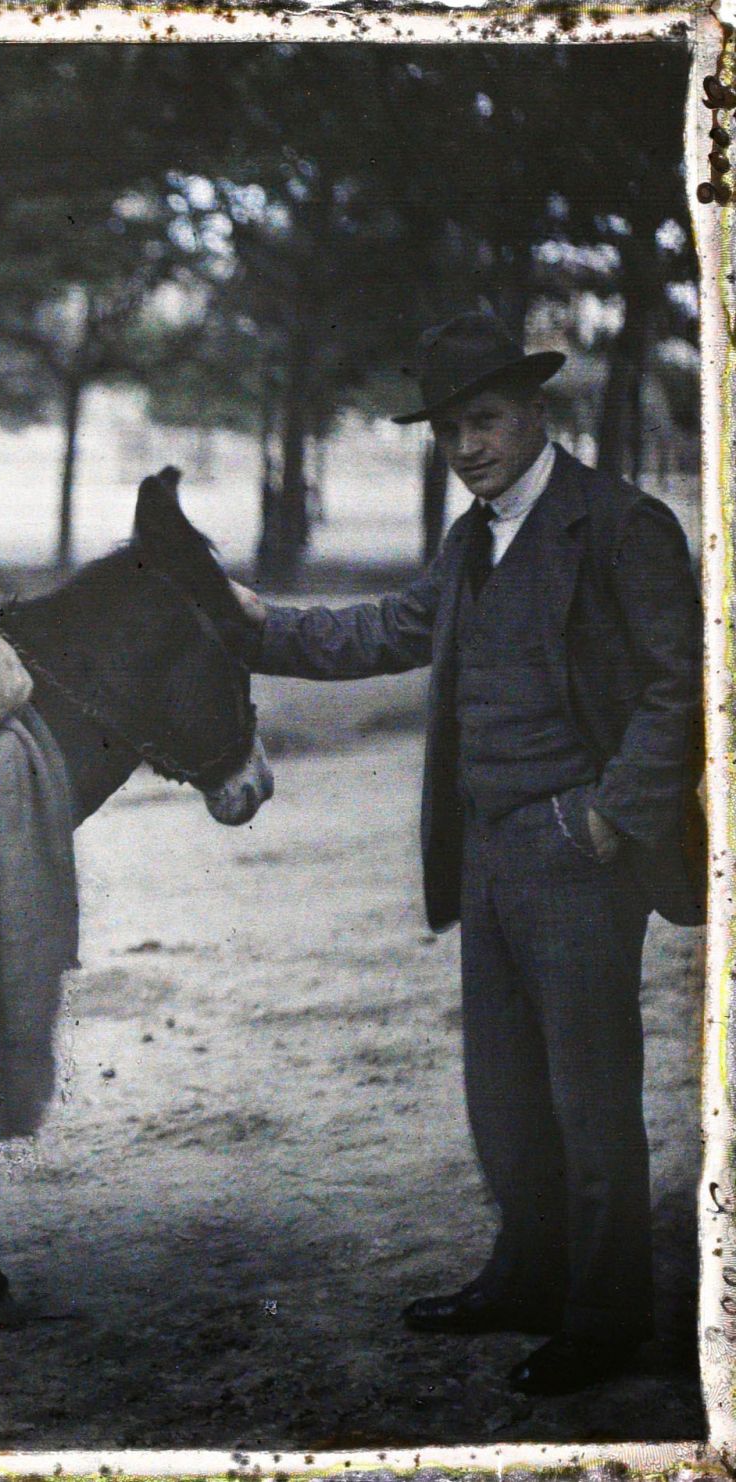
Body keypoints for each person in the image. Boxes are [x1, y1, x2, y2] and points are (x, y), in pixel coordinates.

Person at [229, 311, 704, 1397]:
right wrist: (254, 623)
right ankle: (525, 1278)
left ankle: (603, 1315)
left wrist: (604, 817)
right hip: (485, 850)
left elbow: (675, 685)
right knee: (501, 1091)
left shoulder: (620, 526)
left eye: (481, 421)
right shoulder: (470, 538)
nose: (464, 448)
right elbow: (387, 631)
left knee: (587, 1095)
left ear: (535, 411)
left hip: (575, 850)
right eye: (446, 432)